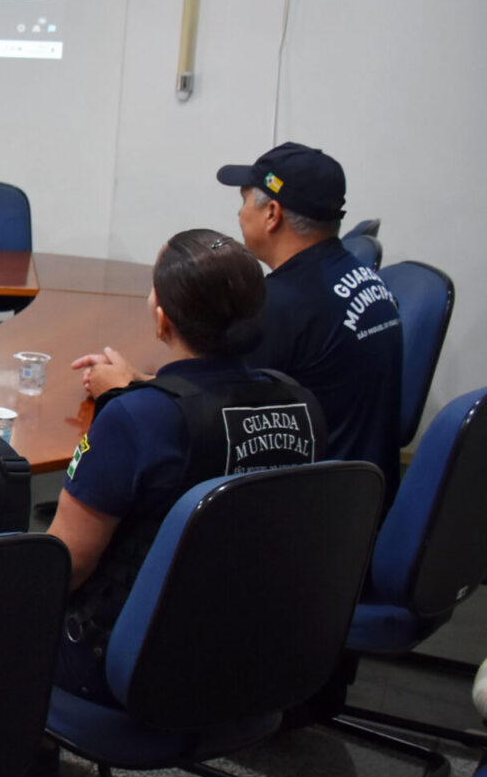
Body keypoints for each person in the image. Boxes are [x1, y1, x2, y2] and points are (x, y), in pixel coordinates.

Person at [51, 229, 327, 703]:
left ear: (162, 321)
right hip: (256, 649)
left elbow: (65, 565)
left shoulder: (135, 420)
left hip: (128, 659)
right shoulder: (301, 404)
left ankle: (30, 771)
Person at [74, 143, 401, 495]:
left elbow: (214, 417)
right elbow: (222, 383)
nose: (240, 213)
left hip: (306, 506)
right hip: (363, 492)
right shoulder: (357, 272)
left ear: (272, 214)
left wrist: (125, 391)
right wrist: (142, 379)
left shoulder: (281, 305)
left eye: (244, 200)